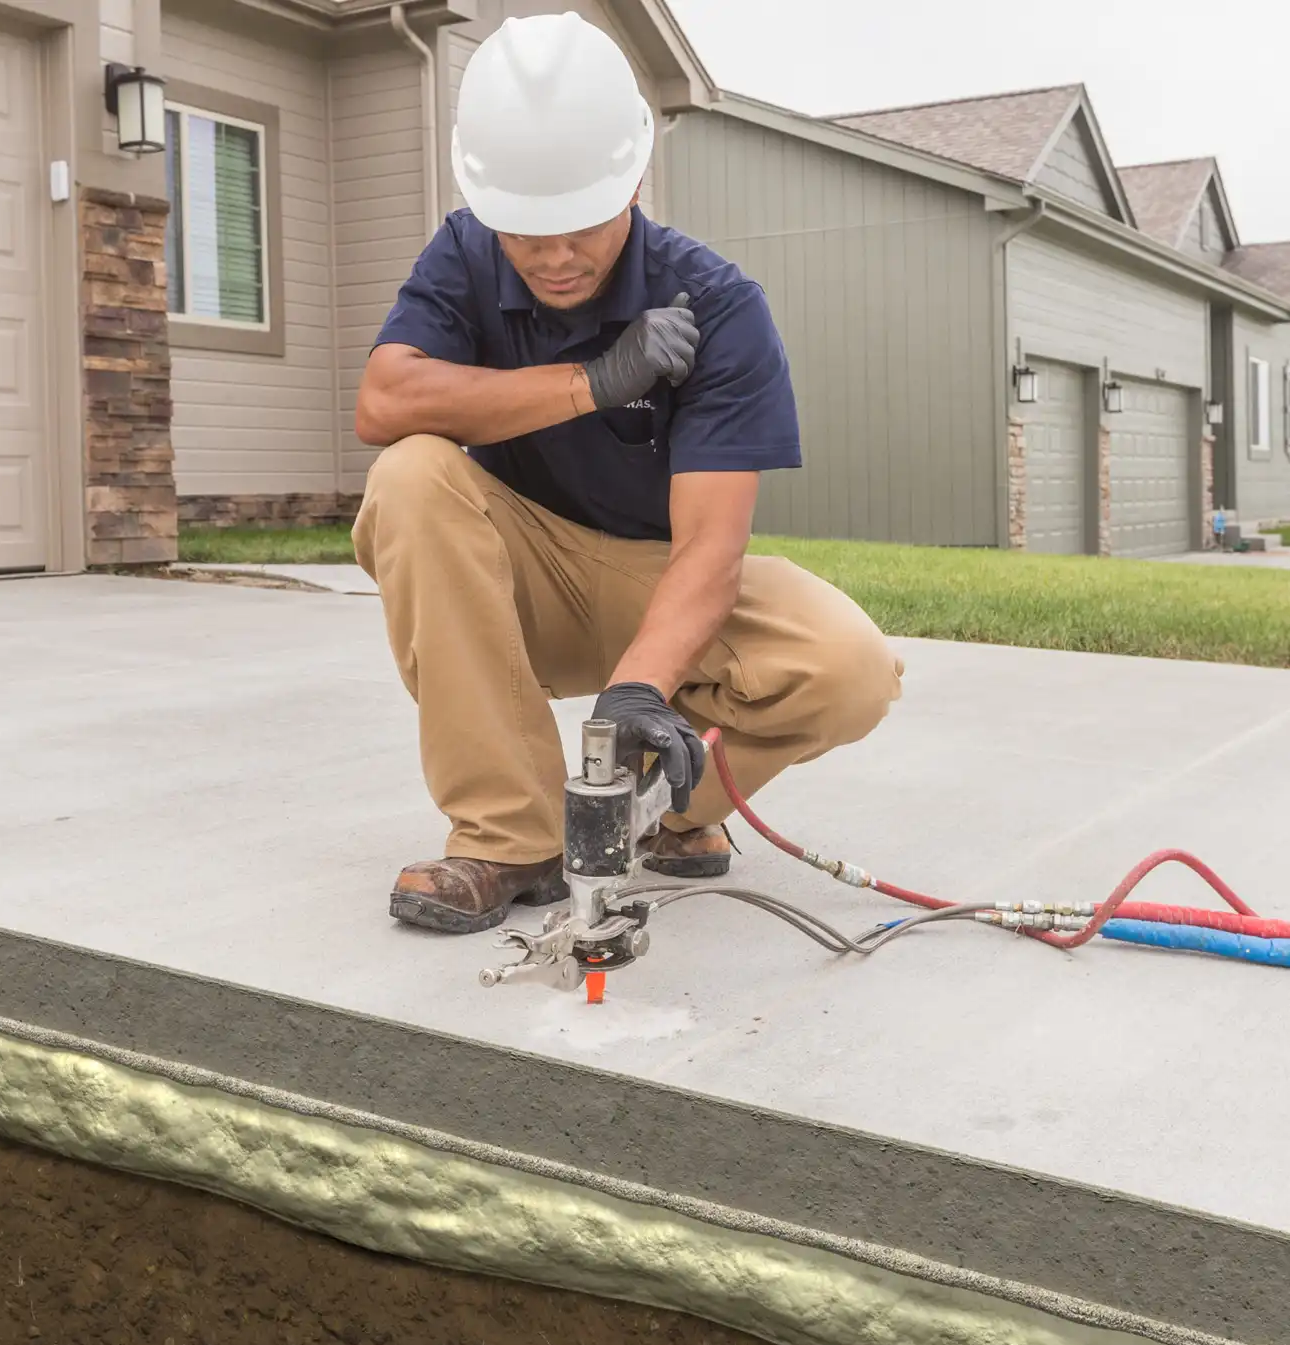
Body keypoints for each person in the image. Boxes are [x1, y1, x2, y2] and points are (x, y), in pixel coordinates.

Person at [353, 12, 903, 935]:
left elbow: (712, 549)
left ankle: (667, 814)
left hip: (656, 582)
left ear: (634, 180)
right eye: (529, 232)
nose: (557, 256)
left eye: (583, 225)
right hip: (507, 579)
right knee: (411, 476)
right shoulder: (462, 251)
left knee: (847, 667)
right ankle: (506, 839)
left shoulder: (720, 307)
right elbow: (386, 402)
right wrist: (591, 383)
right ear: (488, 205)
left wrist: (637, 691)